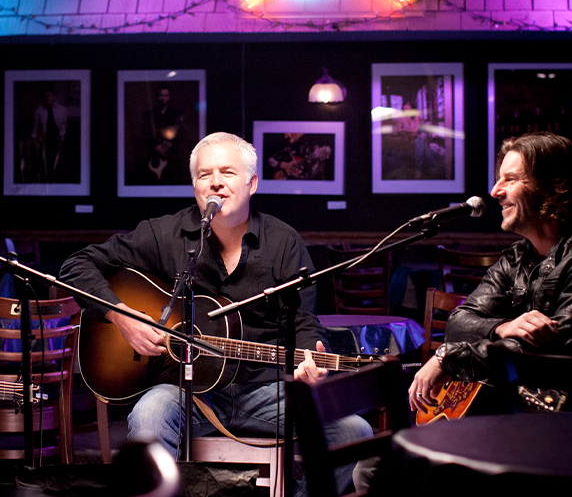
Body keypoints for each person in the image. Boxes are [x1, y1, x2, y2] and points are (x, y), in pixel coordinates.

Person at [60, 132, 373, 494]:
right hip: (186, 392)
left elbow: (303, 320)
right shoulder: (165, 234)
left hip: (266, 389)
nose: (216, 182)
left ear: (252, 183)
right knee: (149, 414)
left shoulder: (283, 241)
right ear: (194, 186)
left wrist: (309, 360)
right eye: (204, 174)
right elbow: (76, 266)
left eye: (227, 172)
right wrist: (121, 315)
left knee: (355, 432)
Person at [408, 132, 572, 414]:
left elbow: (548, 355)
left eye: (510, 179)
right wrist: (502, 327)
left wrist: (448, 358)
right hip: (533, 411)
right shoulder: (519, 256)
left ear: (552, 188)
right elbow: (458, 322)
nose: (495, 191)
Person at [139, 86, 187, 184]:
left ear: (169, 97)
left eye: (166, 95)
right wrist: (156, 147)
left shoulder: (176, 114)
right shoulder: (149, 114)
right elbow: (144, 133)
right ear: (157, 97)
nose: (163, 98)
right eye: (161, 95)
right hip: (153, 156)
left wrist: (170, 145)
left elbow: (181, 133)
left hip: (172, 157)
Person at [31, 88, 67, 182]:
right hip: (45, 140)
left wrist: (61, 136)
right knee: (45, 164)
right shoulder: (39, 110)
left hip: (58, 139)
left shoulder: (62, 109)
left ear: (54, 96)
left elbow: (63, 125)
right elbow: (35, 126)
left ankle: (59, 183)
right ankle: (47, 182)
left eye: (49, 95)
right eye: (45, 96)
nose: (47, 98)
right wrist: (34, 138)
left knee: (58, 164)